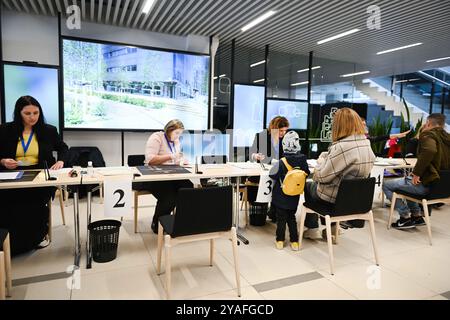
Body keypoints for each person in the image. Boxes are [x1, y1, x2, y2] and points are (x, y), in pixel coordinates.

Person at [0, 96, 69, 254]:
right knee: (8, 202)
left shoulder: (48, 130)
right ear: (19, 113)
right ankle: (9, 241)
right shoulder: (5, 130)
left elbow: (63, 148)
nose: (32, 117)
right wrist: (3, 161)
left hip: (39, 176)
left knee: (33, 201)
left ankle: (34, 238)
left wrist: (61, 161)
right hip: (12, 175)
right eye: (27, 113)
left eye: (36, 113)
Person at [303, 108, 376, 241]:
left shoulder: (341, 146)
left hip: (335, 199)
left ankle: (312, 228)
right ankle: (331, 229)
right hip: (357, 200)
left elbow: (322, 177)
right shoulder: (366, 143)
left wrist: (320, 163)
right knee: (330, 187)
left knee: (309, 186)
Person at [382, 113, 450, 229]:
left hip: (427, 186)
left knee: (387, 185)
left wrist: (416, 173)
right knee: (407, 183)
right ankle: (417, 216)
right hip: (442, 188)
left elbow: (429, 150)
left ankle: (405, 217)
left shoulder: (428, 134)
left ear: (428, 123)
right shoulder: (447, 138)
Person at [144, 119, 193, 233]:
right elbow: (150, 160)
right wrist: (171, 156)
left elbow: (176, 157)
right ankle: (157, 223)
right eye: (176, 133)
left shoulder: (175, 141)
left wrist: (181, 160)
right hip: (154, 176)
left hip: (171, 174)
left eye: (180, 134)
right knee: (169, 198)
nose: (178, 136)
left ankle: (181, 221)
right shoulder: (156, 137)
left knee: (188, 188)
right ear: (169, 130)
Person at [269, 131, 310, 250]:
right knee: (291, 218)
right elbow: (306, 173)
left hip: (281, 196)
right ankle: (294, 242)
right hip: (294, 196)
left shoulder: (282, 161)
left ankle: (280, 241)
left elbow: (272, 175)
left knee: (281, 219)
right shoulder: (303, 159)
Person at [247, 116, 290, 222]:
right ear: (274, 128)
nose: (283, 134)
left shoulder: (285, 139)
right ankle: (271, 210)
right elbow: (250, 154)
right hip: (262, 173)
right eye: (281, 131)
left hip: (278, 172)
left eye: (285, 131)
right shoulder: (261, 136)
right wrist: (255, 156)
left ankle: (275, 211)